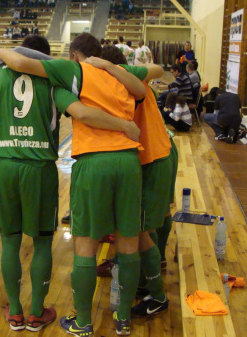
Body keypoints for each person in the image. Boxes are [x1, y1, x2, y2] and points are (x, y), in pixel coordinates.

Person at [0, 35, 142, 333]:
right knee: (41, 243)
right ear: (45, 57)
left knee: (10, 241)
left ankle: (15, 312)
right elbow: (81, 112)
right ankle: (37, 312)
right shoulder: (51, 79)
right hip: (39, 168)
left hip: (4, 166)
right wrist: (124, 126)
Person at [0, 33, 146, 336]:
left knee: (83, 246)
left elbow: (79, 110)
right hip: (128, 161)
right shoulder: (120, 75)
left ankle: (82, 321)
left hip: (89, 162)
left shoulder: (72, 72)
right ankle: (123, 317)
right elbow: (148, 81)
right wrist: (124, 118)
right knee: (127, 243)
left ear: (73, 55)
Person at [93, 45, 172, 315]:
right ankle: (144, 281)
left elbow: (160, 70)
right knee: (139, 229)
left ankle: (158, 295)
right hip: (151, 157)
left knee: (140, 231)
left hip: (153, 159)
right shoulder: (124, 78)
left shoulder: (122, 76)